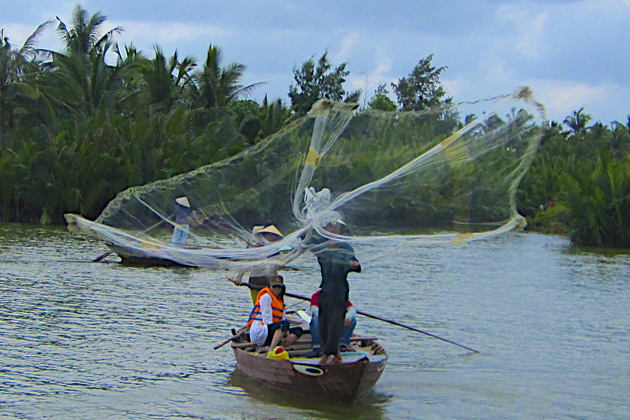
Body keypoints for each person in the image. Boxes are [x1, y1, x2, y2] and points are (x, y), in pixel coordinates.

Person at [312, 221, 361, 365]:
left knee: (335, 324)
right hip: (326, 290)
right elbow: (307, 241)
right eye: (330, 227)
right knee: (324, 324)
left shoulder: (345, 247)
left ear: (340, 231)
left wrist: (353, 265)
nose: (332, 229)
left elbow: (356, 265)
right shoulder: (322, 246)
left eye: (335, 227)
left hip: (339, 292)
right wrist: (305, 228)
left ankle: (326, 356)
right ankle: (337, 355)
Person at [247, 275, 302, 355]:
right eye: (274, 286)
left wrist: (286, 333)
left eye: (279, 287)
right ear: (269, 286)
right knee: (284, 325)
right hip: (262, 332)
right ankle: (271, 349)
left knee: (298, 330)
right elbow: (267, 320)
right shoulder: (266, 297)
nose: (276, 289)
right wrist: (282, 330)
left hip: (273, 331)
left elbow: (283, 318)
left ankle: (281, 344)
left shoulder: (280, 301)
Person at [229, 225, 284, 303]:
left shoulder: (275, 251)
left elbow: (276, 266)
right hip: (256, 280)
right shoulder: (256, 249)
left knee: (271, 304)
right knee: (258, 304)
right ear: (265, 235)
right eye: (272, 235)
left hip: (271, 282)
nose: (274, 237)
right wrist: (239, 277)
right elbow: (246, 263)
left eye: (275, 236)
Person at [307, 289, 357, 358]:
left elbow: (352, 309)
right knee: (315, 319)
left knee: (352, 320)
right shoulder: (317, 296)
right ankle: (316, 347)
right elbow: (314, 309)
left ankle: (342, 345)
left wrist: (348, 317)